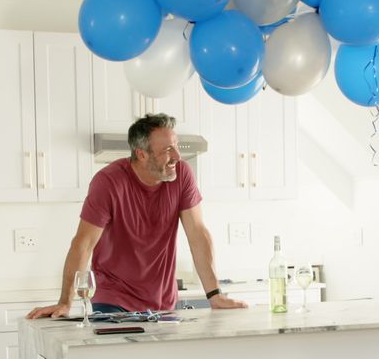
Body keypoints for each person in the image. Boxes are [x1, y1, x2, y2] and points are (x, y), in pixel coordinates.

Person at [28, 113, 247, 319]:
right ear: (142, 154)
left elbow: (197, 234)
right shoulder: (108, 182)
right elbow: (83, 244)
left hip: (163, 302)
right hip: (114, 300)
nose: (177, 157)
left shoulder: (182, 175)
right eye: (168, 150)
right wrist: (65, 302)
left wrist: (214, 295)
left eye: (177, 147)